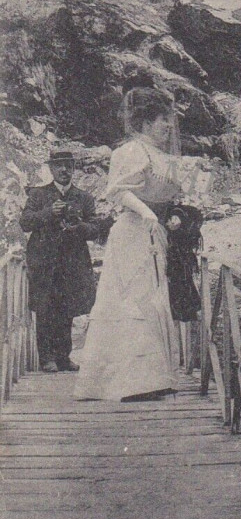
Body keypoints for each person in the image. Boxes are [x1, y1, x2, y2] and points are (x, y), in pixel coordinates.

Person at [74, 87, 183, 402]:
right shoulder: (131, 151)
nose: (168, 127)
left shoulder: (162, 157)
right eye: (163, 121)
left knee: (152, 298)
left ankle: (154, 376)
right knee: (133, 298)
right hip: (133, 231)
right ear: (147, 122)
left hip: (154, 232)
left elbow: (170, 195)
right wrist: (147, 212)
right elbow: (119, 191)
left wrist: (172, 215)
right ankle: (132, 381)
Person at [19, 149, 107, 373]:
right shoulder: (38, 195)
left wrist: (79, 226)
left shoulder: (84, 197)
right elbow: (26, 222)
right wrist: (49, 212)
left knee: (67, 309)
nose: (64, 170)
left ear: (74, 168)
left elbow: (95, 229)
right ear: (51, 169)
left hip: (71, 263)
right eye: (58, 166)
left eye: (68, 165)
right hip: (44, 262)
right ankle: (46, 358)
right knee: (45, 308)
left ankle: (64, 357)